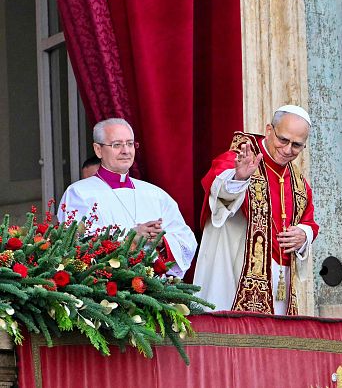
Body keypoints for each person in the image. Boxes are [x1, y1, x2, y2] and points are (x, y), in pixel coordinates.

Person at [194, 105, 319, 315]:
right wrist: (239, 178)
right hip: (233, 272)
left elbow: (309, 222)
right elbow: (216, 192)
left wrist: (303, 235)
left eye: (297, 145)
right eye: (283, 140)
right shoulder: (239, 157)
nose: (288, 150)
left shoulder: (298, 183)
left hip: (279, 282)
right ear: (269, 130)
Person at [57, 118, 197, 278]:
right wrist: (130, 237)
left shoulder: (155, 194)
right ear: (98, 150)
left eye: (130, 144)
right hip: (104, 292)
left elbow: (186, 240)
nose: (126, 151)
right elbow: (74, 245)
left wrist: (160, 241)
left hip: (153, 291)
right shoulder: (79, 193)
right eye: (117, 145)